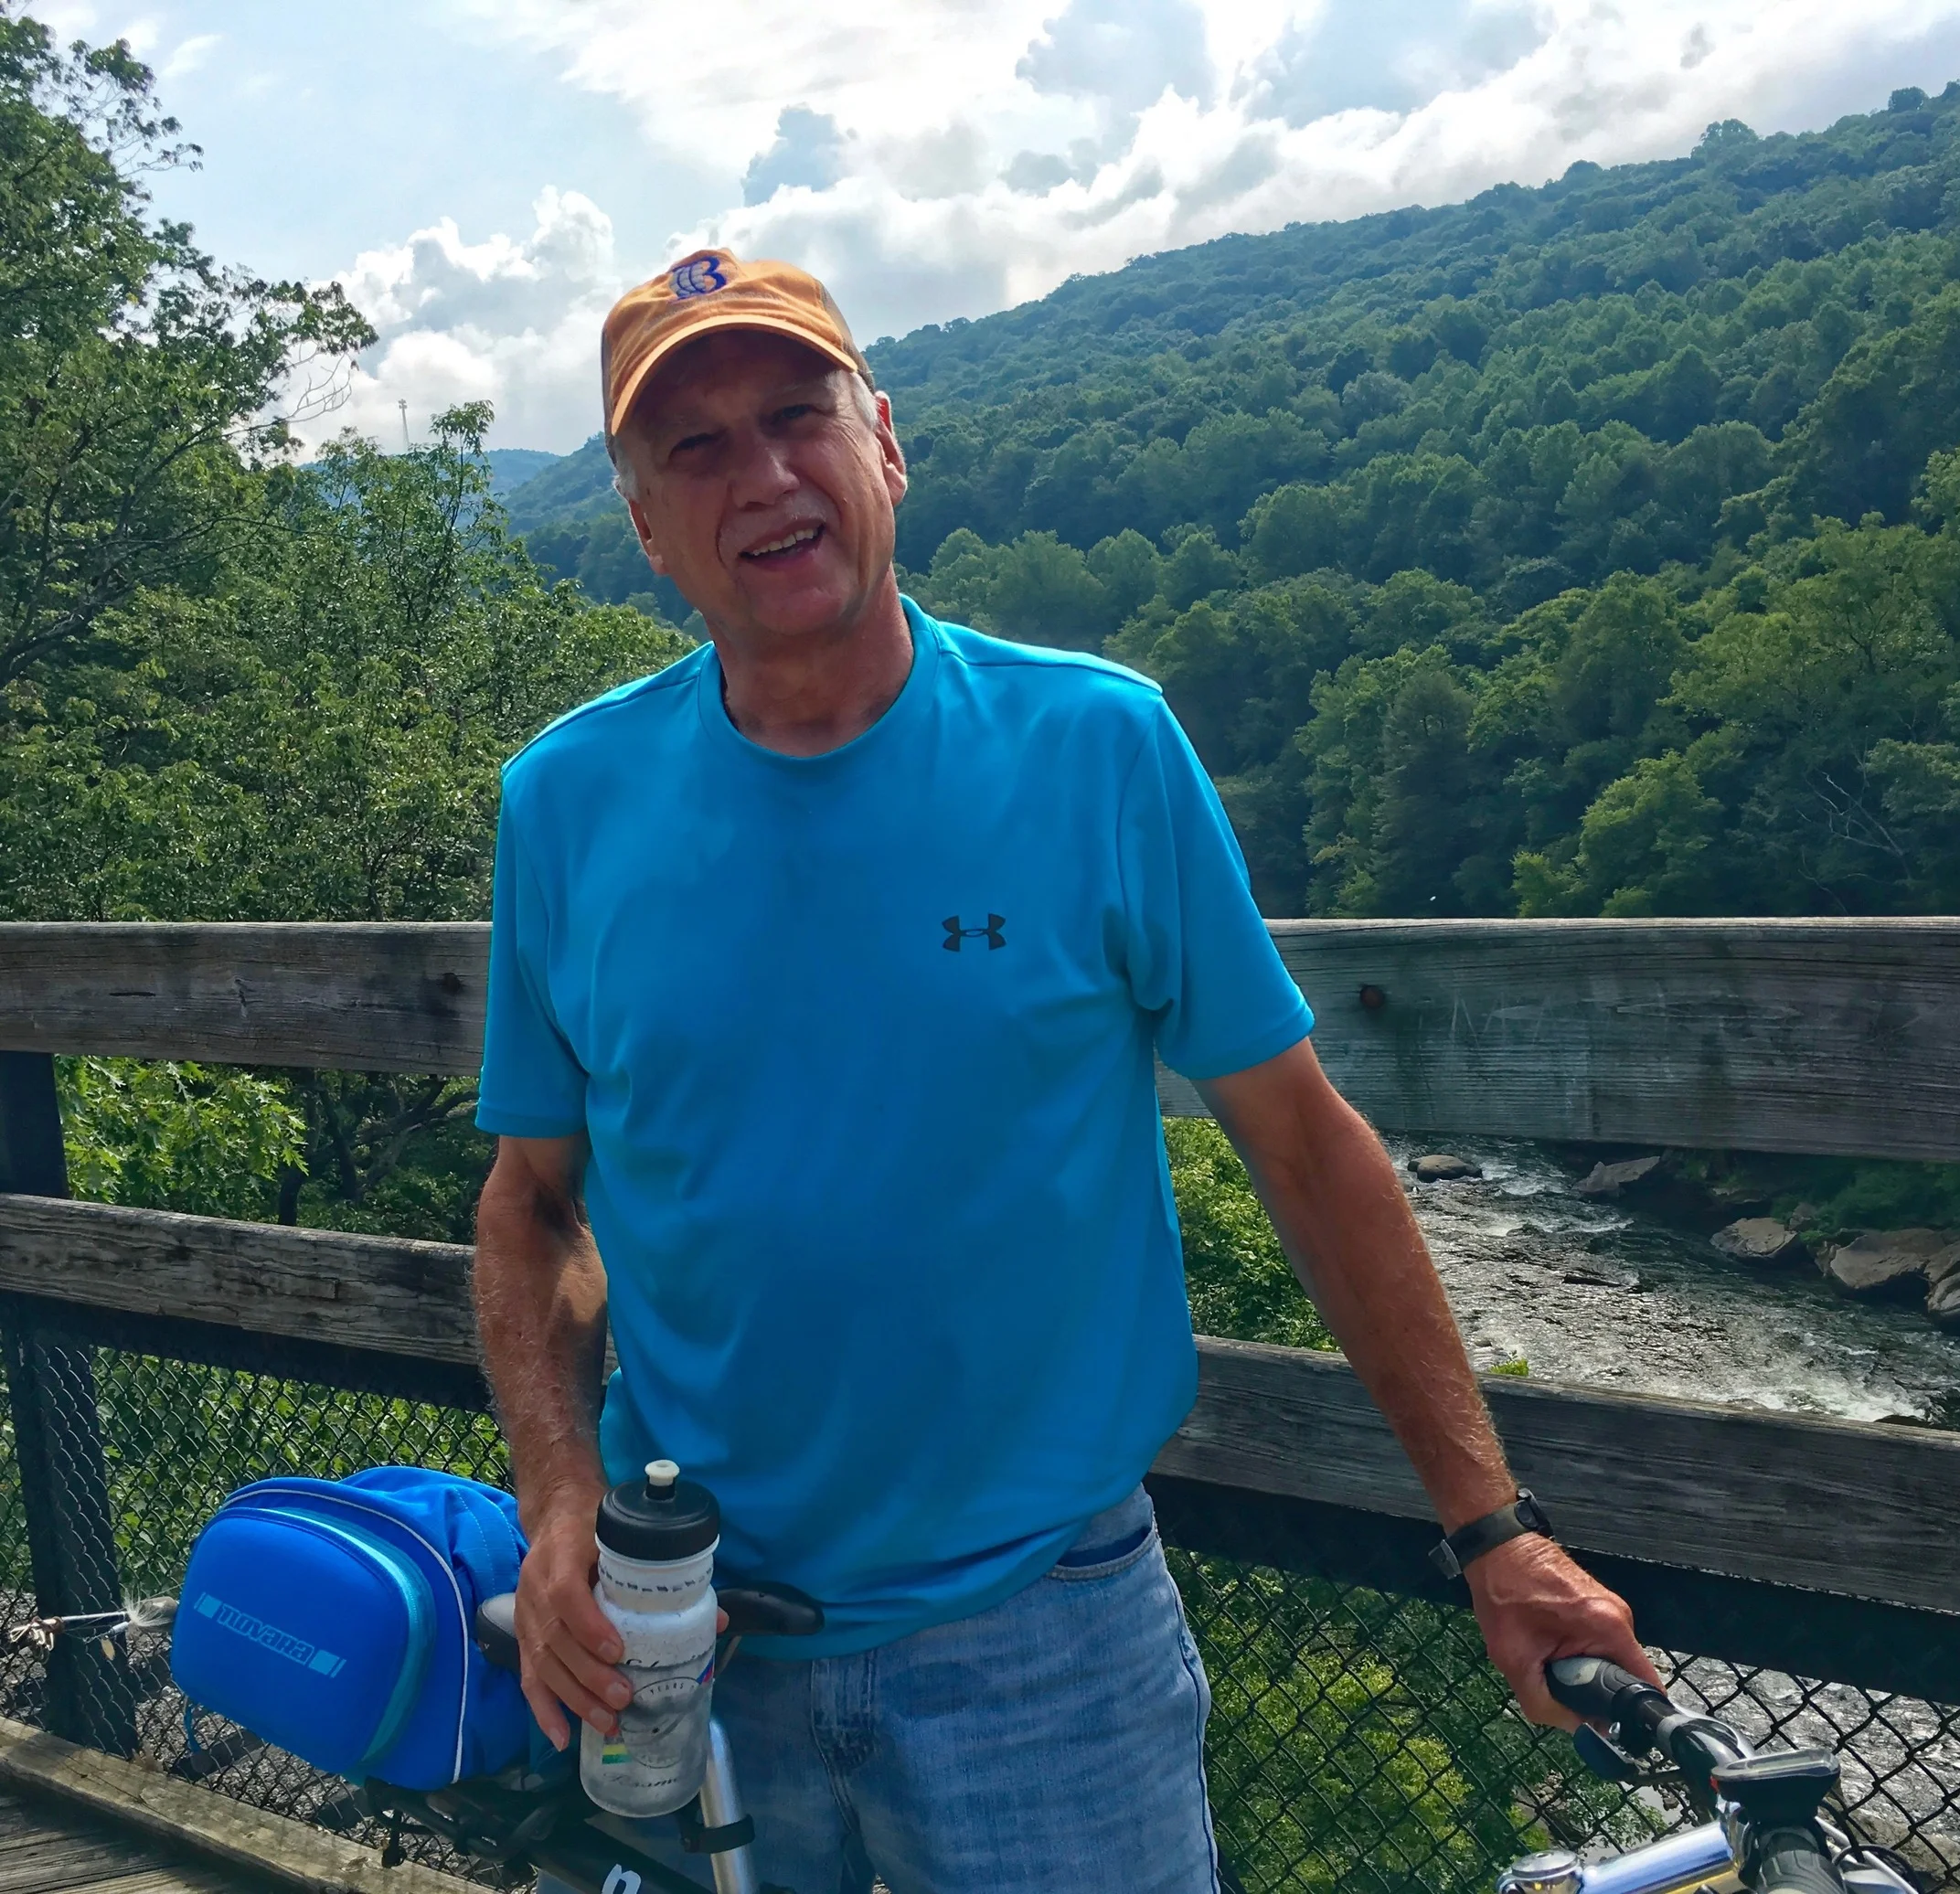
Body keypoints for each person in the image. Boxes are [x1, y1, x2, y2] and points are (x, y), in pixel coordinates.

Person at [471, 249, 1655, 1894]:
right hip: (689, 1644)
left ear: (884, 442)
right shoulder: (568, 802)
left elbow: (1305, 1151)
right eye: (697, 449)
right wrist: (558, 1507)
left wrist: (1492, 1528)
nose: (764, 476)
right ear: (646, 523)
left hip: (1046, 1647)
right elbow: (532, 1206)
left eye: (796, 416)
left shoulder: (1098, 748)